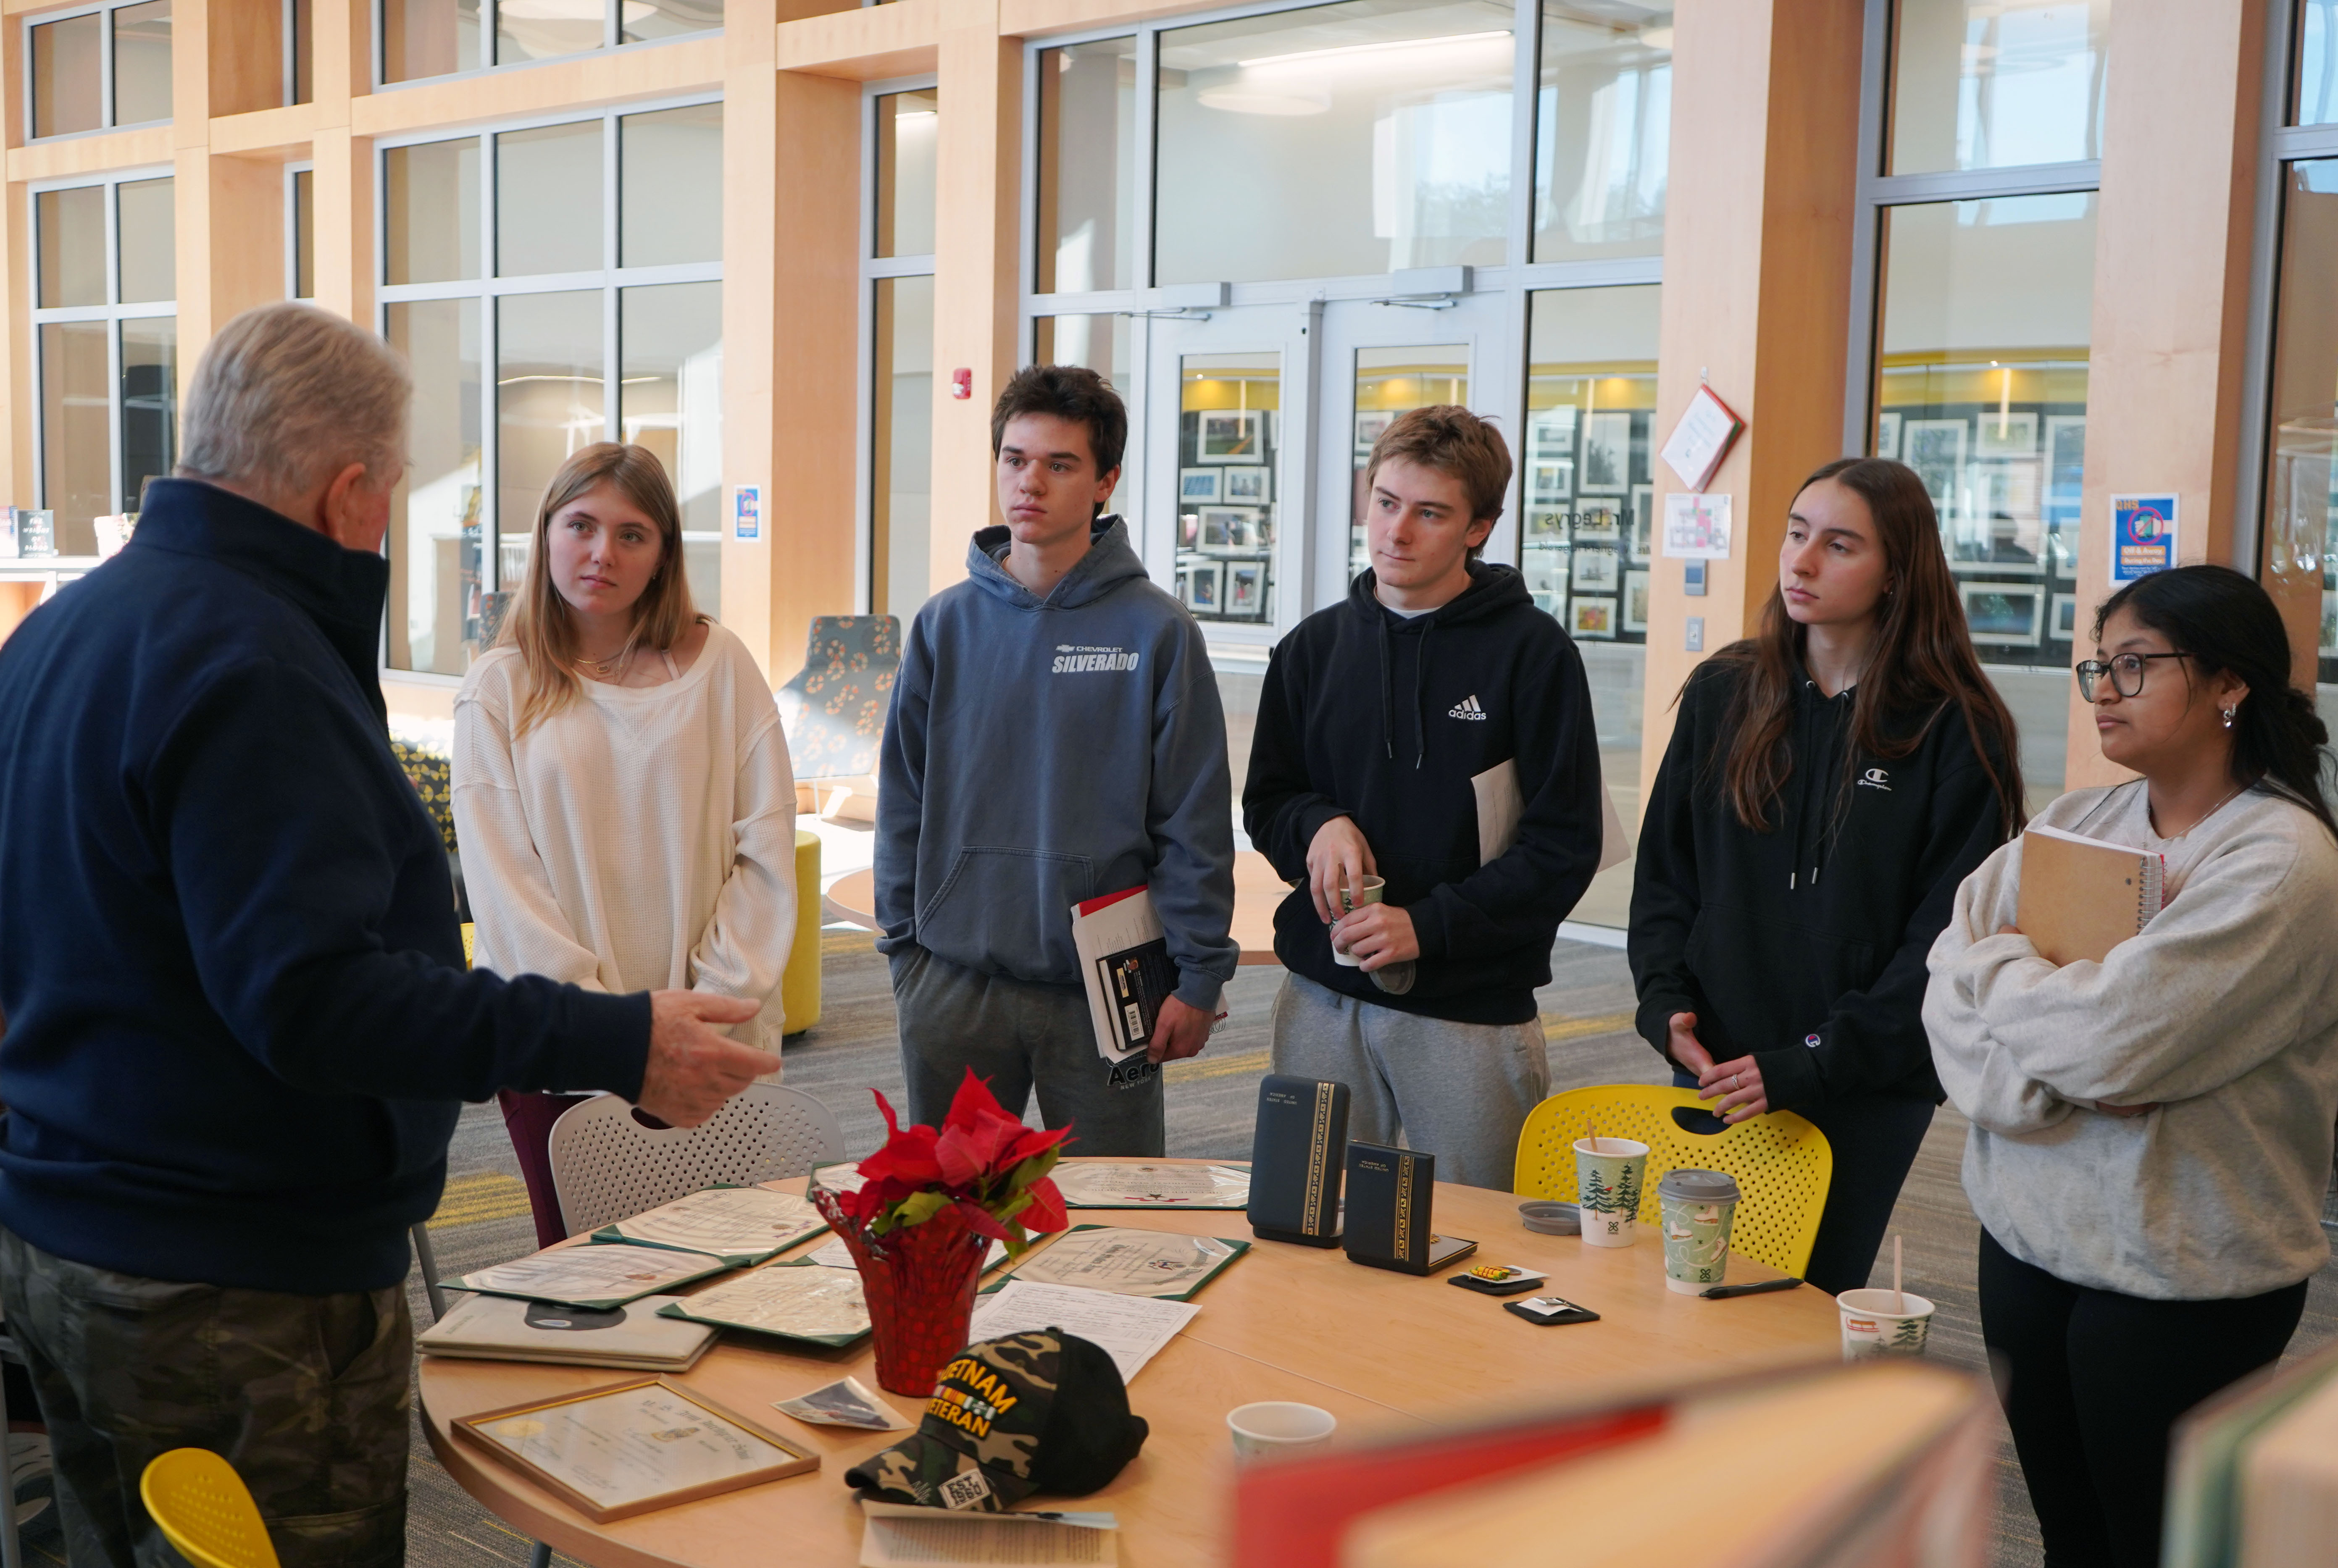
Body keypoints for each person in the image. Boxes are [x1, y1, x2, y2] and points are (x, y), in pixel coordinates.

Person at [0, 302, 774, 1568]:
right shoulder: (252, 662)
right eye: (395, 487)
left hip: (69, 1241)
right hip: (234, 1283)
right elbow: (316, 999)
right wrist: (606, 1034)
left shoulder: (60, 633)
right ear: (349, 489)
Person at [1926, 564, 2338, 1568]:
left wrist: (2030, 1007)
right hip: (2025, 1237)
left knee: (2153, 1542)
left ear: (2228, 683)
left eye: (2133, 665)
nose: (2102, 688)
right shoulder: (2078, 822)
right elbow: (1947, 985)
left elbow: (2115, 1037)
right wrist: (2047, 1076)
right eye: (2095, 666)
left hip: (2178, 1269)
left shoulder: (2279, 860)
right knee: (2067, 1531)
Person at [1630, 457, 2024, 1294]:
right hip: (1718, 1061)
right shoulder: (1724, 692)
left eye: (1839, 544)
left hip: (1862, 1079)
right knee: (1695, 1294)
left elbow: (1945, 936)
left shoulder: (1956, 726)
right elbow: (1667, 876)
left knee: (1798, 1306)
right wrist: (1663, 1003)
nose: (1801, 563)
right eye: (1796, 533)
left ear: (1895, 573)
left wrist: (1815, 1058)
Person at [875, 364, 1236, 1150]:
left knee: (1118, 1223)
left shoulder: (1158, 632)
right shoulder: (944, 626)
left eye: (1059, 464)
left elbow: (1194, 819)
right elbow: (902, 797)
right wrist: (905, 950)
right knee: (949, 1225)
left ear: (1104, 480)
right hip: (953, 982)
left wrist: (1200, 975)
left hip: (1108, 990)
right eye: (1014, 459)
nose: (1028, 482)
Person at [1244, 406, 1604, 1190]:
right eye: (1384, 502)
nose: (1395, 532)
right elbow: (1268, 801)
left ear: (1479, 527)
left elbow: (1562, 846)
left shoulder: (1532, 654)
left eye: (1429, 513)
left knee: (1477, 1242)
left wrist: (1427, 926)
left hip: (1468, 1006)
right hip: (1319, 991)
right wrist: (1317, 823)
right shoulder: (1311, 648)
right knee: (1308, 1220)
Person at [454, 443, 798, 1249]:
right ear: (545, 536)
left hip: (718, 1042)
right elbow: (508, 894)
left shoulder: (722, 666)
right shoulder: (498, 689)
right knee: (592, 1291)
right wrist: (615, 1036)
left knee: (737, 1274)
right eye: (581, 525)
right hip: (566, 1050)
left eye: (632, 533)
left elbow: (768, 850)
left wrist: (708, 1012)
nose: (602, 552)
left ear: (663, 555)